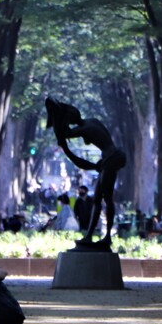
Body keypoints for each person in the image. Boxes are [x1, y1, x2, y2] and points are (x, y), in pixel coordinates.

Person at [45, 97, 127, 251]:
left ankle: (107, 236)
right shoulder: (92, 121)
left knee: (107, 199)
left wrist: (57, 118)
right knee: (97, 199)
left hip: (110, 158)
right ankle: (90, 235)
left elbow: (66, 134)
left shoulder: (85, 129)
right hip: (109, 158)